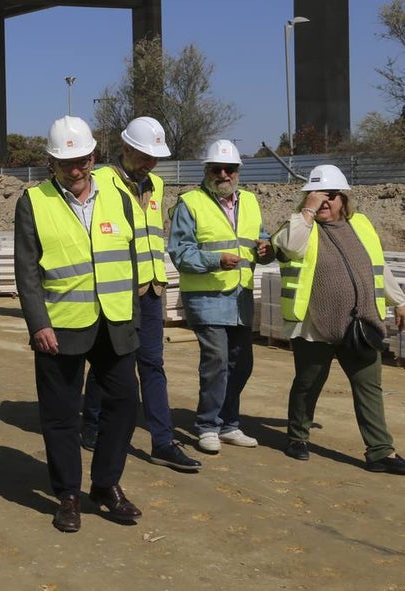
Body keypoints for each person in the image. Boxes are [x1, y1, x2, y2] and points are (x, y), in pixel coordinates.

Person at [14, 116, 142, 533]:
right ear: (51, 161)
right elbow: (27, 271)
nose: (76, 169)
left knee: (124, 405)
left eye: (83, 160)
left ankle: (105, 484)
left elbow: (132, 259)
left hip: (115, 321)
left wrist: (134, 317)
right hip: (62, 325)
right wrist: (38, 323)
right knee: (61, 415)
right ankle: (68, 494)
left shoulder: (118, 198)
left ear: (93, 156)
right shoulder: (33, 202)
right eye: (66, 162)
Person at [82, 118, 201, 472]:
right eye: (145, 155)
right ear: (126, 148)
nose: (151, 163)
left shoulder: (157, 185)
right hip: (116, 290)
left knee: (153, 365)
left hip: (151, 289)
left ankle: (162, 441)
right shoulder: (99, 182)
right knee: (108, 362)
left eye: (155, 157)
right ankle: (90, 426)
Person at [272, 164, 405, 474]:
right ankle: (298, 437)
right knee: (307, 384)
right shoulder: (297, 227)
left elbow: (377, 266)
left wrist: (399, 300)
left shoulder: (361, 225)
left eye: (330, 195)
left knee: (369, 387)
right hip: (314, 326)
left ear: (344, 199)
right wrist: (307, 210)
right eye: (316, 195)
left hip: (361, 326)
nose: (324, 202)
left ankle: (380, 451)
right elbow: (289, 247)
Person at [167, 139, 275, 455]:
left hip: (240, 294)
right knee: (216, 361)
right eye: (218, 169)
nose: (224, 174)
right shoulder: (190, 203)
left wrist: (267, 250)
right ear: (208, 170)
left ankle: (229, 424)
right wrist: (215, 260)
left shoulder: (251, 202)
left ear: (238, 171)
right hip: (206, 296)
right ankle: (207, 426)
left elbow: (261, 240)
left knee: (242, 364)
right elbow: (179, 251)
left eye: (230, 169)